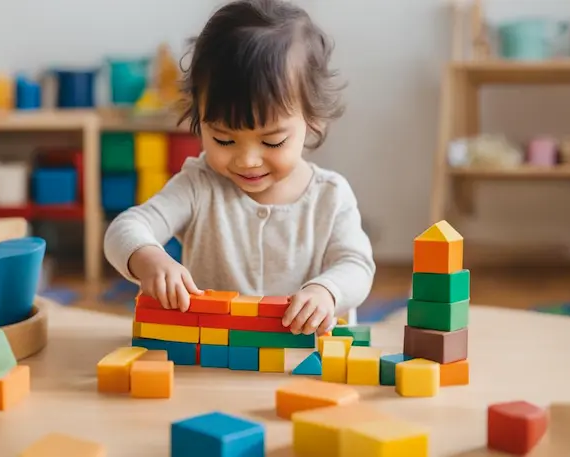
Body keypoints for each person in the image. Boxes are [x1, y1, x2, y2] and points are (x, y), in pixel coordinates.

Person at [104, 0, 375, 336]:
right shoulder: (198, 185)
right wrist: (150, 260)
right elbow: (124, 230)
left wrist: (327, 291)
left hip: (304, 366)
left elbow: (357, 266)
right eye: (223, 140)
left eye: (272, 141)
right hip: (213, 360)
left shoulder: (331, 197)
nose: (246, 160)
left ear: (313, 119)